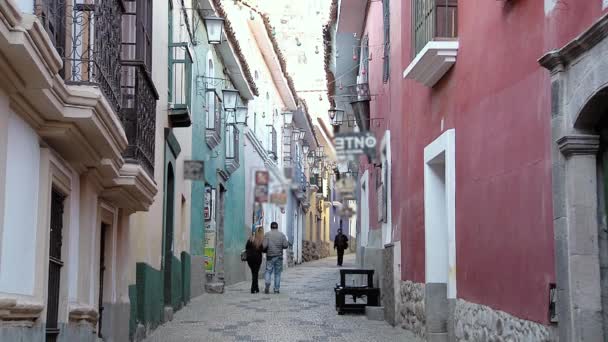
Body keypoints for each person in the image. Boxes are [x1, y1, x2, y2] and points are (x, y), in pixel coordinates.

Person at [262, 222, 289, 294]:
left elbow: (264, 246)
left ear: (271, 227)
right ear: (277, 227)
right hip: (279, 256)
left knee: (268, 271)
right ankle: (276, 289)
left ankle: (267, 284)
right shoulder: (282, 235)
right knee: (277, 273)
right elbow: (286, 245)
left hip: (270, 256)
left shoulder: (267, 234)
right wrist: (281, 246)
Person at [245, 227, 264, 293]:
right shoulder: (261, 240)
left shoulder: (251, 239)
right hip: (257, 259)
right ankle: (253, 288)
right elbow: (262, 250)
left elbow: (246, 247)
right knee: (255, 273)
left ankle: (256, 287)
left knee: (253, 273)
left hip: (250, 258)